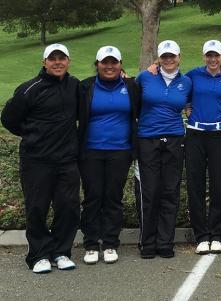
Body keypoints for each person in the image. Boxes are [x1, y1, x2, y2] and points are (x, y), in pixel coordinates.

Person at [1, 44, 80, 273]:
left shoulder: (74, 86)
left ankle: (61, 252)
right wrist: (32, 134)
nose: (58, 62)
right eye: (52, 59)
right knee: (37, 208)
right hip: (36, 160)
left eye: (62, 58)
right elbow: (8, 119)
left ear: (68, 61)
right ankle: (38, 255)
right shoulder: (30, 89)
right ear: (44, 62)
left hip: (66, 159)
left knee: (68, 207)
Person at [78, 46, 140, 264]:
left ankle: (111, 243)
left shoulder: (131, 86)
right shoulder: (85, 87)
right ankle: (92, 244)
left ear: (120, 64)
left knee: (113, 197)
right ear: (97, 65)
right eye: (105, 62)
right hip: (91, 151)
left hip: (120, 151)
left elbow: (141, 109)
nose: (109, 66)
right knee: (93, 197)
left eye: (114, 62)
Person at [135, 40, 191, 259]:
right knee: (149, 192)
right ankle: (147, 242)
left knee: (170, 191)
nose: (169, 59)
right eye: (164, 56)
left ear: (179, 57)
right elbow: (130, 94)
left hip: (175, 140)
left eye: (172, 56)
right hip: (147, 139)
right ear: (158, 58)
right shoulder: (145, 77)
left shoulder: (187, 81)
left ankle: (165, 241)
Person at [185, 40, 221, 254]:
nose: (213, 59)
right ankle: (201, 235)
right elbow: (179, 92)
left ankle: (216, 234)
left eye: (216, 55)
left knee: (219, 184)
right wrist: (188, 107)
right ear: (204, 56)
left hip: (219, 135)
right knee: (195, 184)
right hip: (195, 135)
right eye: (209, 55)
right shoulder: (192, 75)